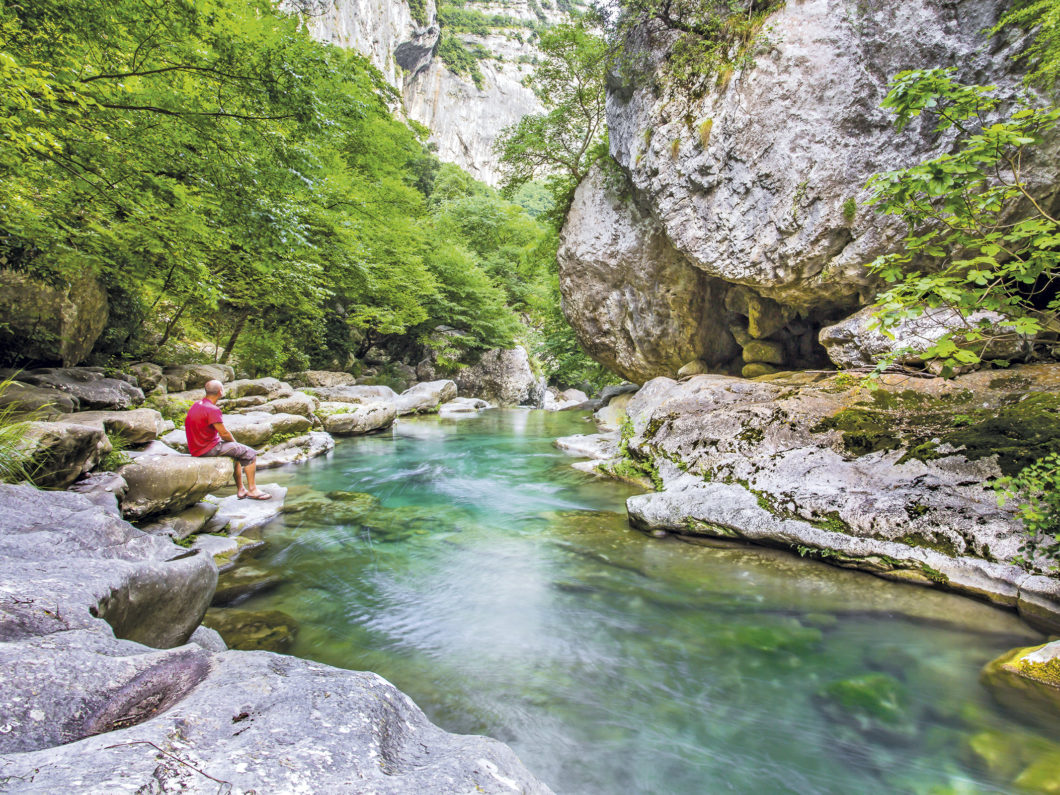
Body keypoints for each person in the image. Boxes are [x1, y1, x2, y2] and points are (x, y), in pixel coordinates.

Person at [184, 379, 271, 500]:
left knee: (236, 453)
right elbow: (224, 433)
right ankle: (252, 490)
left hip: (196, 447)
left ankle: (241, 489)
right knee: (250, 453)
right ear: (220, 392)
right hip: (208, 448)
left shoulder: (197, 404)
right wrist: (235, 443)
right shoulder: (212, 409)